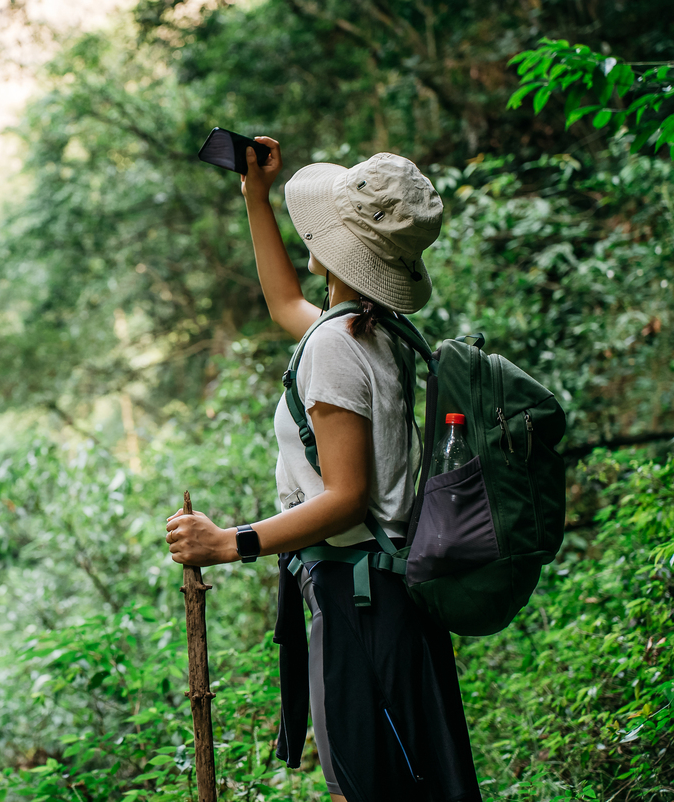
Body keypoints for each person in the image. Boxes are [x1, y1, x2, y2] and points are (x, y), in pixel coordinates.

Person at [164, 139, 482, 802]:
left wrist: (229, 543)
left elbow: (346, 499)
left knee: (363, 790)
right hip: (387, 596)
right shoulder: (375, 330)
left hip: (359, 600)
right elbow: (287, 304)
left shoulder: (339, 345)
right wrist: (255, 197)